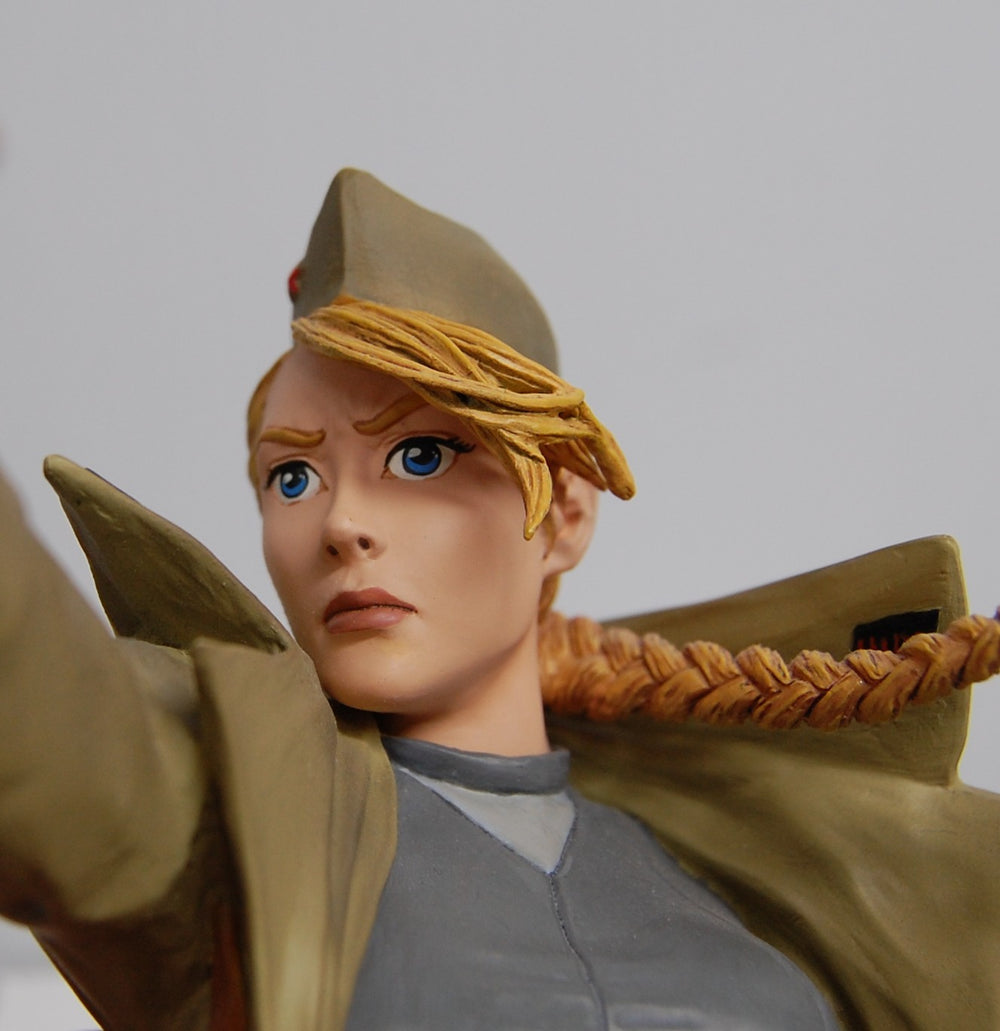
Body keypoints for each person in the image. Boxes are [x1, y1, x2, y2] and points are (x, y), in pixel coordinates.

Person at [1, 169, 998, 1030]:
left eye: (421, 454)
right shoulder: (238, 803)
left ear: (562, 513)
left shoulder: (756, 857)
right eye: (291, 476)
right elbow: (46, 718)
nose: (341, 522)